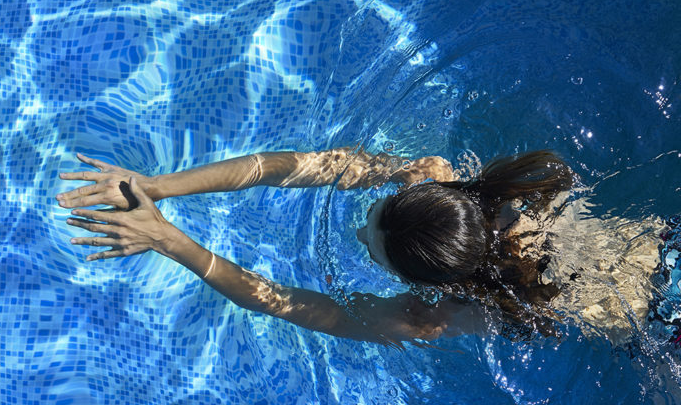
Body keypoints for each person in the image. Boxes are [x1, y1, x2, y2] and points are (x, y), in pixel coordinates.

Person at [56, 148, 681, 349]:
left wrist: (169, 240)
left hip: (663, 326)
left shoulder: (445, 314)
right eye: (376, 221)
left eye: (373, 247)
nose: (360, 235)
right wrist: (156, 186)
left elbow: (282, 303)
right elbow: (294, 167)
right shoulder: (465, 191)